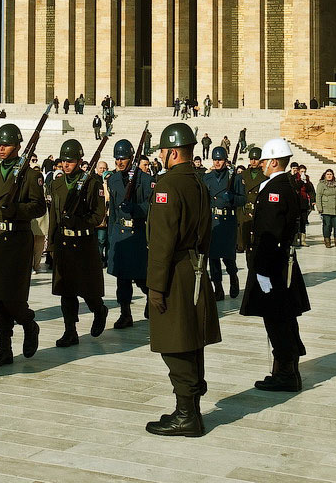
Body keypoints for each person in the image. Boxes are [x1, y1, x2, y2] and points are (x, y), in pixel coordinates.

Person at [144, 122, 220, 437]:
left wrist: (155, 286)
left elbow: (162, 241)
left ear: (173, 151)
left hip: (174, 272)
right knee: (191, 339)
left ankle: (186, 415)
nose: (161, 156)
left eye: (163, 151)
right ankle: (190, 409)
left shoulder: (167, 185)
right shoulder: (199, 182)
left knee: (174, 343)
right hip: (196, 267)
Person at [241, 138, 310, 392]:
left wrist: (261, 270)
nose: (260, 165)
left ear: (273, 161)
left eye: (264, 161)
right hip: (279, 263)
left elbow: (269, 233)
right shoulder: (283, 185)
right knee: (283, 317)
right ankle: (286, 369)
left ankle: (286, 374)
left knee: (277, 319)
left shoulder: (276, 189)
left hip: (272, 265)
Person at [0, 123, 46, 367]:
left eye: (6, 144)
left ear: (18, 146)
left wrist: (17, 210)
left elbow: (39, 206)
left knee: (12, 297)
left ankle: (29, 323)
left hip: (17, 240)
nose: (1, 148)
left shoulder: (31, 175)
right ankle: (4, 348)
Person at [47, 139, 108, 346]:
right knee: (66, 291)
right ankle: (70, 331)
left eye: (70, 161)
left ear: (80, 161)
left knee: (88, 290)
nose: (66, 165)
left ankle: (99, 310)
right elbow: (54, 216)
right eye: (63, 161)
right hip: (64, 243)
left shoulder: (92, 184)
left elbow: (98, 215)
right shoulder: (56, 184)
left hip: (83, 243)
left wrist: (79, 221)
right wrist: (52, 245)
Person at [106, 139, 152, 329]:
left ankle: (152, 300)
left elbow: (150, 206)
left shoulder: (145, 179)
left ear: (132, 158)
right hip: (120, 233)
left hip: (137, 232)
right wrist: (111, 239)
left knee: (141, 277)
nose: (119, 162)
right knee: (122, 278)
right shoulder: (113, 180)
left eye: (123, 158)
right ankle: (125, 313)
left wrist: (136, 209)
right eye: (117, 158)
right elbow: (113, 213)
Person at [203, 146, 246, 300]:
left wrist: (232, 198)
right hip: (214, 221)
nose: (217, 162)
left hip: (228, 221)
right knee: (213, 258)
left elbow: (243, 199)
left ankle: (234, 279)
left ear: (226, 160)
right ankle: (218, 288)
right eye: (215, 159)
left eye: (220, 159)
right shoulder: (207, 178)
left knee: (228, 257)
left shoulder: (234, 177)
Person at [237, 146, 266, 268]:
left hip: (258, 212)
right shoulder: (242, 175)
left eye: (256, 159)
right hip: (244, 212)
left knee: (257, 244)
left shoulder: (265, 175)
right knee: (247, 244)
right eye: (251, 159)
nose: (253, 161)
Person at [315, 169, 336, 248]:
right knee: (327, 226)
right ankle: (327, 241)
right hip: (326, 209)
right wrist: (319, 208)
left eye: (331, 174)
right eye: (327, 174)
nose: (329, 176)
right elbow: (318, 196)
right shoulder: (321, 184)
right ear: (325, 175)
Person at [293, 165, 315, 247]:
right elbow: (296, 187)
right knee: (296, 221)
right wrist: (301, 181)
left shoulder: (307, 179)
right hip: (296, 202)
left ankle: (302, 239)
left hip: (304, 202)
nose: (303, 173)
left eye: (304, 171)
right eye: (302, 171)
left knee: (303, 221)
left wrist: (313, 201)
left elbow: (310, 190)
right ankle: (295, 239)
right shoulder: (295, 178)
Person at [95, 160, 110, 267]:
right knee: (100, 239)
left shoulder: (111, 180)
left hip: (109, 214)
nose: (102, 170)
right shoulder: (93, 180)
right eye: (100, 168)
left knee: (106, 239)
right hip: (99, 213)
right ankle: (99, 259)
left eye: (104, 168)